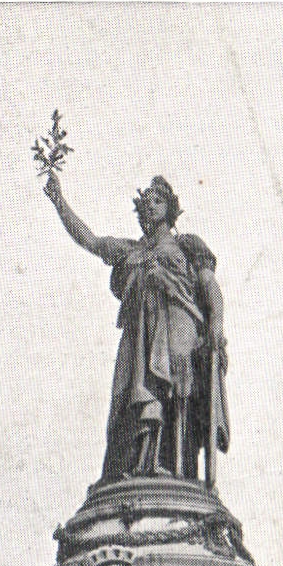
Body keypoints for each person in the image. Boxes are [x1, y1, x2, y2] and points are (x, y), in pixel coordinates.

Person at [44, 168, 229, 485]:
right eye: (146, 202)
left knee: (177, 394)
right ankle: (141, 465)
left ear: (170, 208)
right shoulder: (131, 251)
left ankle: (179, 471)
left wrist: (217, 325)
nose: (151, 206)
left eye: (158, 200)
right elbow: (91, 241)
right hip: (139, 336)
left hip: (179, 325)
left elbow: (210, 287)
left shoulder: (188, 245)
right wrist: (59, 201)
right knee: (133, 394)